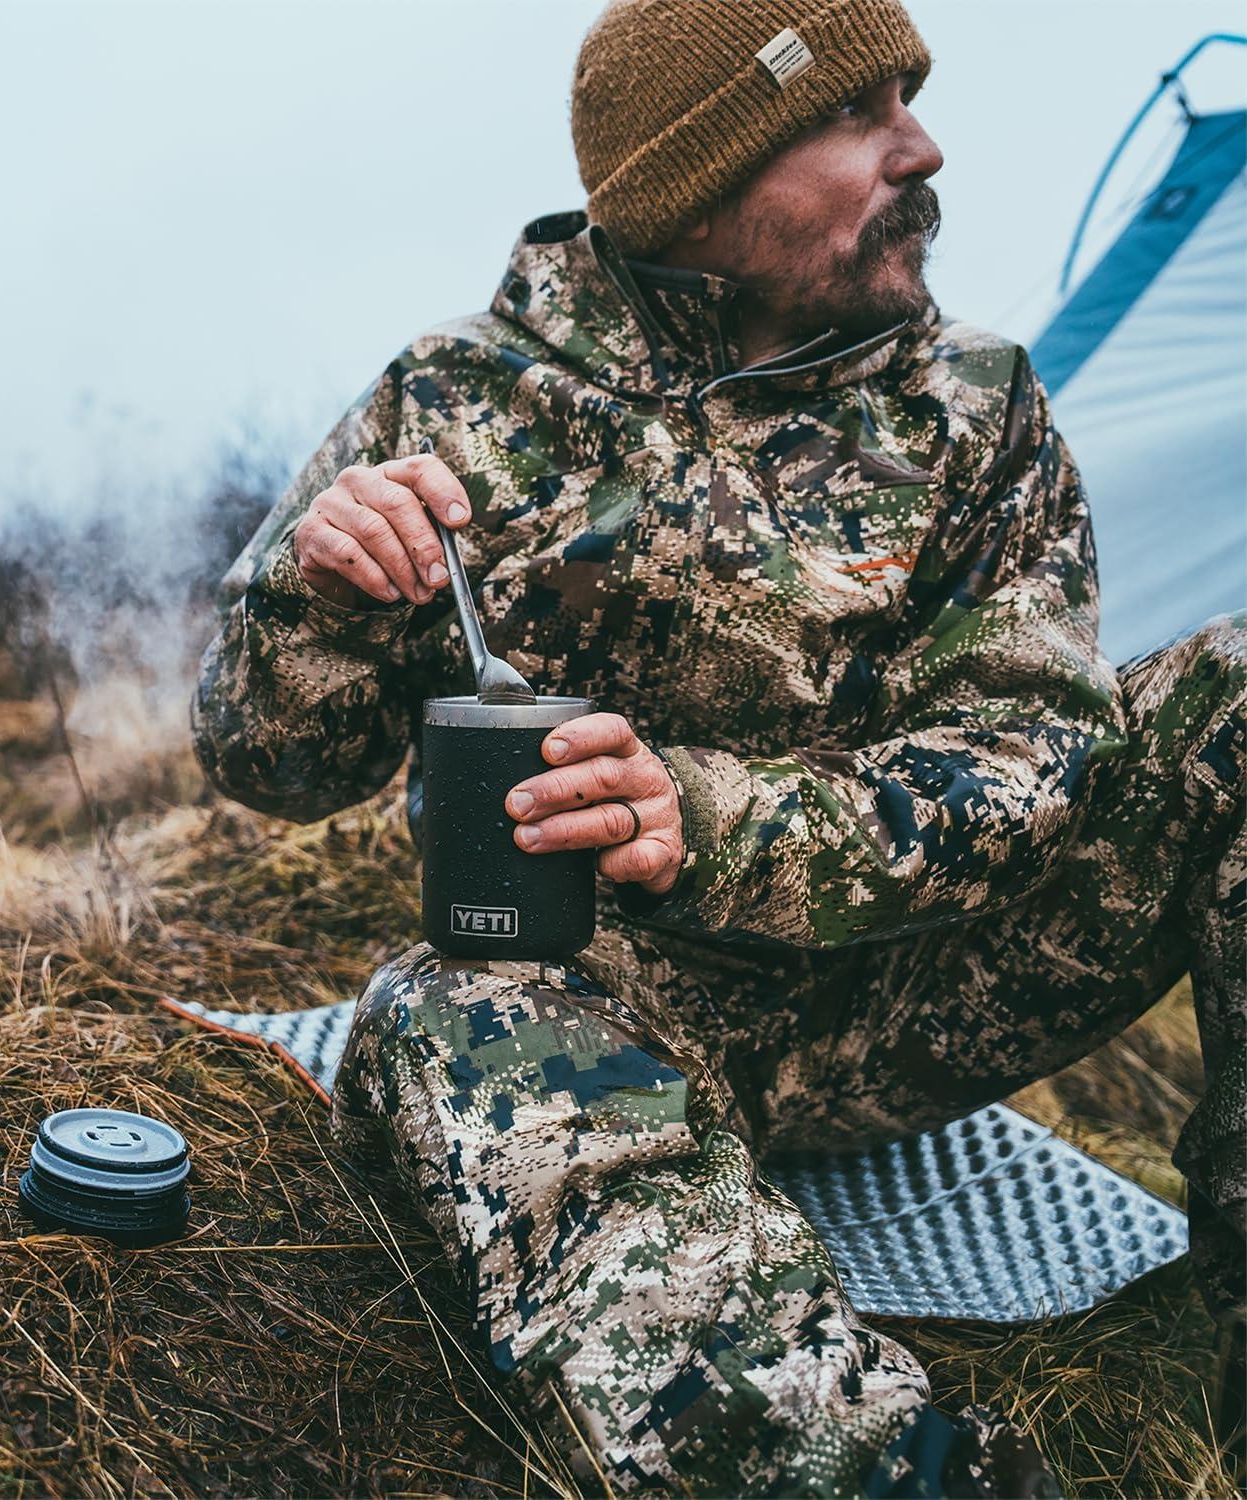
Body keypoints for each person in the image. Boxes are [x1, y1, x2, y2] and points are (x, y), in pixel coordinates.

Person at [192, 0, 1245, 1491]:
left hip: (912, 993)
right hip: (596, 1009)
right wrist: (317, 604)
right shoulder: (457, 404)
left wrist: (712, 819)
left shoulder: (976, 413)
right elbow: (265, 767)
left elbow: (1034, 754)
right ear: (703, 180)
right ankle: (867, 1467)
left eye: (912, 97)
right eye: (859, 113)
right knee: (438, 1008)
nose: (924, 146)